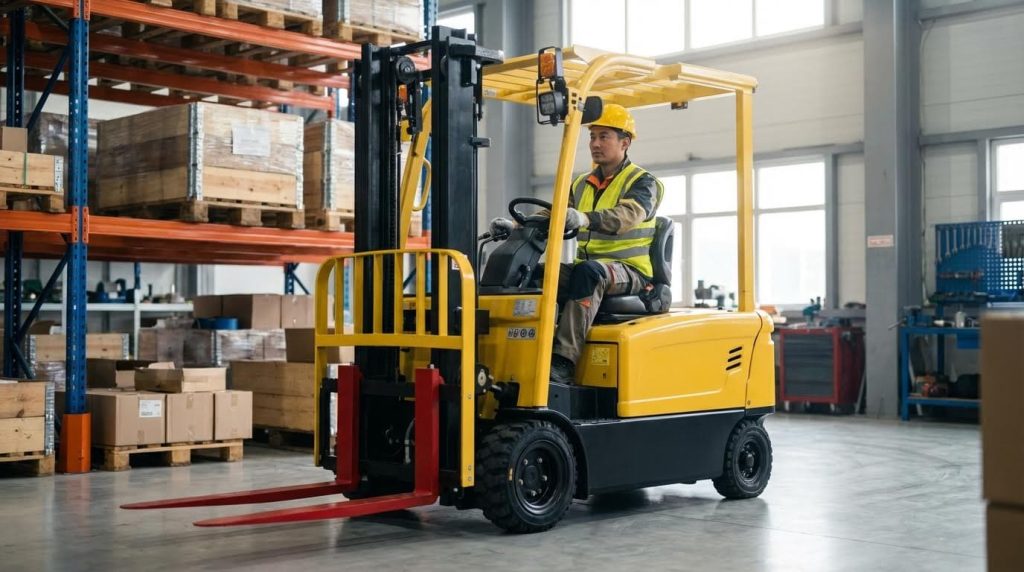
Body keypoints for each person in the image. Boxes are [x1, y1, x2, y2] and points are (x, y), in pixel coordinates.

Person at [490, 104, 664, 383]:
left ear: (625, 142)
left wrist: (583, 218)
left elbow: (626, 217)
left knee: (589, 274)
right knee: (537, 274)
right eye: (592, 137)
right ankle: (526, 350)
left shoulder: (643, 182)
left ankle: (563, 362)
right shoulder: (582, 183)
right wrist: (515, 226)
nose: (595, 143)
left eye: (604, 136)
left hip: (631, 272)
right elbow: (553, 215)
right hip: (592, 267)